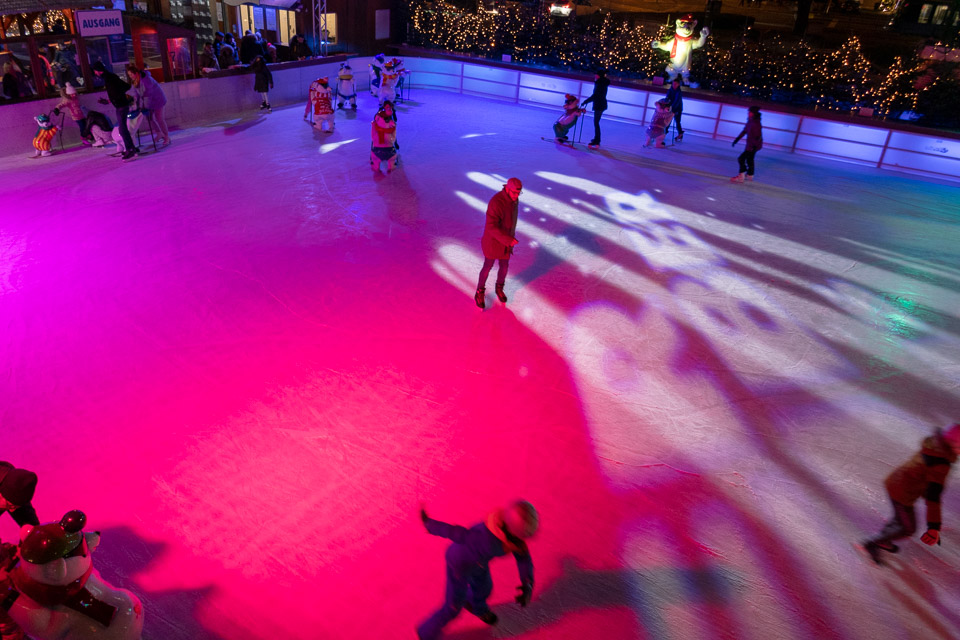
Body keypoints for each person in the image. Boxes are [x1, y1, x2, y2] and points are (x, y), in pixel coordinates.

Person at [416, 500, 538, 640]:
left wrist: (527, 582)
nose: (523, 541)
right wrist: (430, 525)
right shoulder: (482, 537)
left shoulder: (513, 539)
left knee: (484, 589)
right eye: (522, 536)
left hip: (479, 565)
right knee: (453, 608)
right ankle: (426, 632)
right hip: (459, 566)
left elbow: (523, 557)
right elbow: (456, 533)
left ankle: (475, 606)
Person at [863, 424, 960, 564]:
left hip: (896, 481)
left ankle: (884, 540)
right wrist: (933, 527)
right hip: (902, 492)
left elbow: (926, 477)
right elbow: (933, 497)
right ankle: (872, 543)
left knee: (900, 519)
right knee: (908, 528)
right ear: (951, 443)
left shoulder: (934, 445)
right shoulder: (940, 463)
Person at [475, 178, 522, 308]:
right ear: (507, 188)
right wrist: (508, 240)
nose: (516, 196)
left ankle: (499, 288)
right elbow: (491, 226)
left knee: (504, 267)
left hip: (506, 241)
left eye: (518, 193)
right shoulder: (496, 202)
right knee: (488, 266)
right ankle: (479, 291)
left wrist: (510, 238)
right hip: (493, 242)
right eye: (514, 193)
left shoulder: (514, 200)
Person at [92, 60, 137, 159]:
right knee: (122, 128)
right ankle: (131, 148)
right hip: (121, 105)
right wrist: (109, 101)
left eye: (95, 71)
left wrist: (116, 99)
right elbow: (125, 87)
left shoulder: (109, 79)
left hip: (121, 106)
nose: (95, 73)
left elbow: (119, 90)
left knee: (123, 129)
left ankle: (130, 149)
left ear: (99, 70)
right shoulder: (110, 77)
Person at [128, 65, 170, 146]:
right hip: (149, 101)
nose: (130, 77)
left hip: (158, 99)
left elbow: (149, 94)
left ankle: (166, 137)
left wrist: (145, 106)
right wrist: (137, 104)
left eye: (131, 74)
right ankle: (159, 133)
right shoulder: (135, 81)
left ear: (136, 73)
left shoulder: (146, 79)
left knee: (159, 118)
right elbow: (136, 94)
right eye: (129, 75)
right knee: (150, 118)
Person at [0, 461, 39, 527]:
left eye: (15, 507)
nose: (12, 510)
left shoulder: (15, 484)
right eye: (9, 505)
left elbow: (31, 525)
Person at [730, 105, 763, 182]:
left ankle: (741, 176)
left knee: (741, 158)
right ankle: (750, 175)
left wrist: (754, 147)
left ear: (753, 113)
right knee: (749, 159)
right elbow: (744, 131)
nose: (748, 113)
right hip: (751, 145)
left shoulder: (756, 123)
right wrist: (737, 139)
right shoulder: (750, 121)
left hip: (753, 145)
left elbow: (758, 136)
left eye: (750, 112)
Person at [580, 69, 609, 149]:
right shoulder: (602, 83)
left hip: (599, 105)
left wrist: (586, 101)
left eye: (596, 74)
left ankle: (597, 140)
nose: (595, 76)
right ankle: (597, 139)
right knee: (596, 123)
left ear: (599, 75)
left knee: (596, 123)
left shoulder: (599, 84)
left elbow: (595, 95)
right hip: (601, 104)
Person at [370, 100, 398, 173]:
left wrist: (374, 126)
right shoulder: (392, 123)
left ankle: (376, 165)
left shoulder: (376, 122)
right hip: (390, 151)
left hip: (377, 151)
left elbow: (372, 137)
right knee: (392, 155)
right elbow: (394, 136)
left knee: (375, 156)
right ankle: (391, 165)